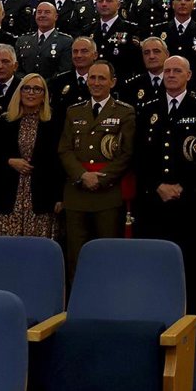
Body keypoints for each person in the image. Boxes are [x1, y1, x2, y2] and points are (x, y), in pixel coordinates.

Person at [135, 55, 196, 312]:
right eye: (167, 71)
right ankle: (157, 310)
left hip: (189, 200)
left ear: (188, 75)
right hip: (154, 200)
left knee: (190, 260)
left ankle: (191, 314)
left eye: (177, 71)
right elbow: (139, 155)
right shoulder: (148, 109)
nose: (170, 75)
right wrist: (157, 185)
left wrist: (184, 187)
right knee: (155, 259)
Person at [58, 60, 135, 280]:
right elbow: (64, 149)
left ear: (113, 82)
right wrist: (82, 175)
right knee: (76, 255)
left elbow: (127, 153)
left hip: (107, 194)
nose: (96, 82)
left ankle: (107, 296)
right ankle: (76, 298)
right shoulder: (74, 111)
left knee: (107, 254)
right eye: (92, 77)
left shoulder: (125, 112)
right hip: (77, 192)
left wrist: (101, 179)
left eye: (102, 78)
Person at [0, 74, 63, 239]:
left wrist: (59, 196)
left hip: (41, 196)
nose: (31, 93)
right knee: (5, 246)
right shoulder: (4, 121)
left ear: (44, 95)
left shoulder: (54, 123)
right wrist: (9, 161)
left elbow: (58, 163)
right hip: (7, 194)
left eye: (37, 89)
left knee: (36, 246)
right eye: (26, 88)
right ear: (19, 92)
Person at [152, 0, 196, 95]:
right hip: (165, 89)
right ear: (172, 4)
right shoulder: (159, 30)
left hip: (194, 89)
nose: (183, 2)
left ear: (193, 5)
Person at [15, 2, 74, 80]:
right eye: (39, 12)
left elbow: (64, 70)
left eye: (47, 12)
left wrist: (42, 84)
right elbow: (17, 69)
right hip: (26, 85)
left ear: (56, 17)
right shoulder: (22, 40)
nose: (42, 15)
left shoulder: (66, 41)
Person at [91, 0, 143, 78]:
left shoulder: (131, 29)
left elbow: (135, 59)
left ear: (118, 5)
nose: (104, 4)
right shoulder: (89, 30)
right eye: (100, 1)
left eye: (109, 0)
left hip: (121, 78)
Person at [115, 36, 168, 105]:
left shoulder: (177, 81)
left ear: (167, 54)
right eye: (146, 53)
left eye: (156, 51)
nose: (151, 56)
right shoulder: (131, 86)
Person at [49, 37, 97, 112]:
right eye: (75, 51)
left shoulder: (102, 80)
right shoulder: (59, 81)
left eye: (84, 51)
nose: (78, 55)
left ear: (95, 55)